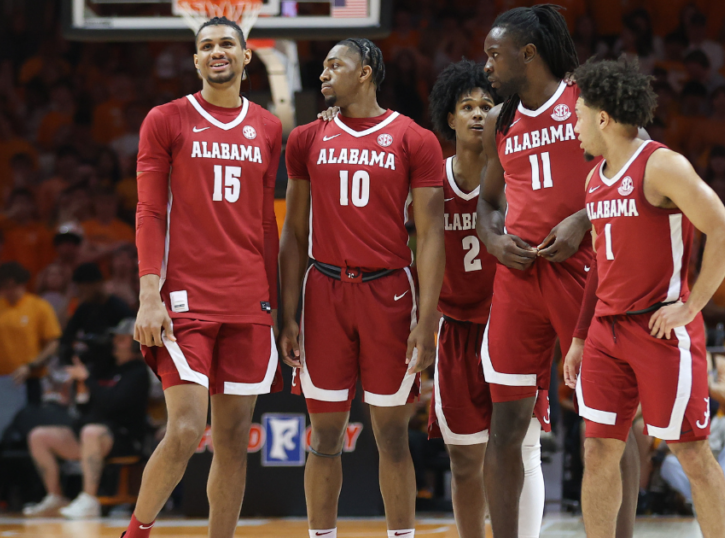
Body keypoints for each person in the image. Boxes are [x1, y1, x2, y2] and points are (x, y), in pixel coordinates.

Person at [477, 9, 641, 538]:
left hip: (588, 272)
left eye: (494, 56)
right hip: (519, 277)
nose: (486, 68)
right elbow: (486, 201)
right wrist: (494, 239)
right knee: (504, 427)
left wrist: (582, 218)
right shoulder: (503, 118)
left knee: (612, 426)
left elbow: (643, 170)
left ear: (528, 54)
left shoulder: (589, 99)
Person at [563, 56, 725, 538]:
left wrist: (691, 305)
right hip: (605, 332)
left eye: (578, 114)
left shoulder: (662, 165)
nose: (573, 125)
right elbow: (601, 263)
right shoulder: (594, 178)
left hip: (660, 331)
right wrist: (580, 337)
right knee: (596, 449)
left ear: (602, 117)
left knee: (691, 452)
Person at [280, 38, 444, 538]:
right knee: (323, 434)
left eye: (336, 65)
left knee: (392, 434)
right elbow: (295, 231)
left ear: (366, 72)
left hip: (389, 292)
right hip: (324, 290)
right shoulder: (306, 138)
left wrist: (428, 318)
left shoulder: (414, 138)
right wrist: (287, 313)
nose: (324, 74)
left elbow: (432, 234)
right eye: (323, 66)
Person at [128, 17, 283, 538]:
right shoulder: (166, 119)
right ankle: (137, 532)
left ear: (245, 58)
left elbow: (266, 222)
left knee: (234, 441)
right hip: (184, 299)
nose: (216, 52)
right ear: (195, 61)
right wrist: (150, 294)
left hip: (249, 301)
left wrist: (279, 310)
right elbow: (150, 212)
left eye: (226, 45)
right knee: (189, 427)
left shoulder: (267, 126)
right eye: (206, 46)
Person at [422, 60, 546, 538]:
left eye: (485, 105)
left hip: (512, 325)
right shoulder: (432, 184)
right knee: (464, 458)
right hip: (456, 328)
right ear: (449, 118)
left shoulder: (516, 177)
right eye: (466, 106)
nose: (477, 114)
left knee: (524, 449)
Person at [23, 318, 151, 518]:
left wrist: (87, 380)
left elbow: (112, 404)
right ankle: (55, 496)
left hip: (124, 438)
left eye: (122, 339)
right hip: (90, 433)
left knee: (91, 432)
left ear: (136, 343)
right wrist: (81, 389)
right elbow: (87, 407)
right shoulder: (106, 368)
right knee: (39, 435)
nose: (115, 343)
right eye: (115, 338)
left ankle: (89, 498)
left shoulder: (138, 372)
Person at [0, 262, 62, 401]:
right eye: (5, 287)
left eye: (13, 286)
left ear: (22, 284)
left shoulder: (39, 307)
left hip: (30, 378)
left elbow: (53, 343)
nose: (9, 291)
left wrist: (31, 366)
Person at [58, 263, 135, 377]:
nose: (81, 294)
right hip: (92, 363)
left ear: (97, 284)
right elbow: (66, 335)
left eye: (84, 289)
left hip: (117, 363)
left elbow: (133, 338)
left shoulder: (118, 307)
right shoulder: (84, 308)